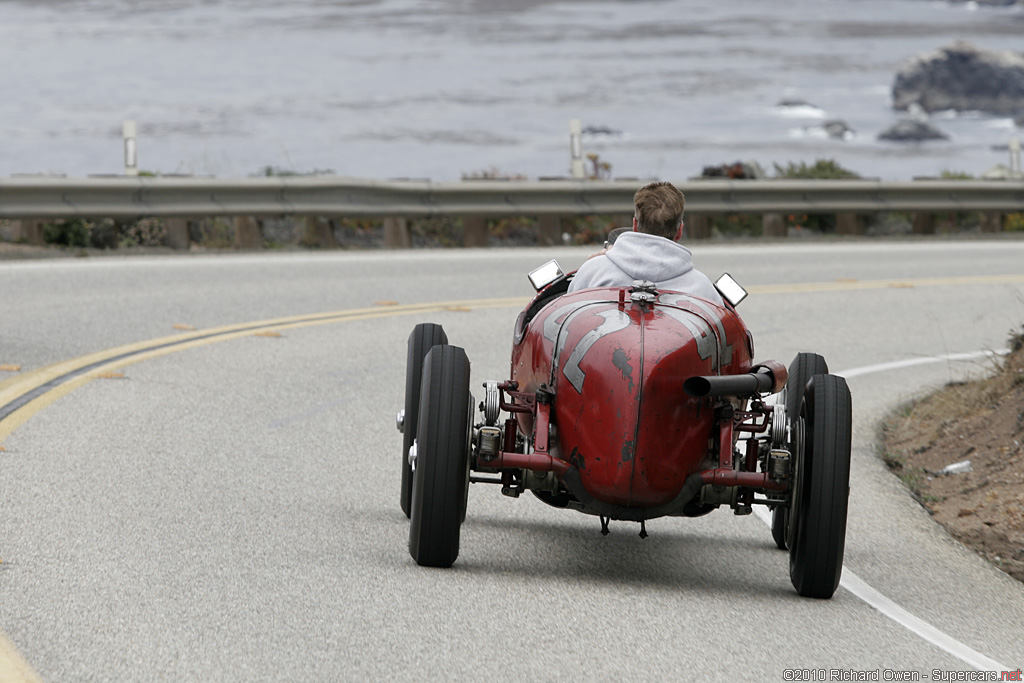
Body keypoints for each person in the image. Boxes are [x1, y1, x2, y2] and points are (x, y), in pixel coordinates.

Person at [567, 181, 724, 305]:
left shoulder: (593, 272)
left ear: (635, 225)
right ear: (680, 231)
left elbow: (566, 318)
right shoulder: (702, 288)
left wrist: (596, 264)